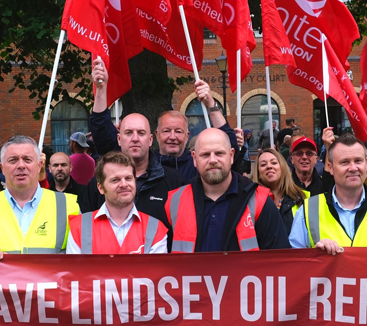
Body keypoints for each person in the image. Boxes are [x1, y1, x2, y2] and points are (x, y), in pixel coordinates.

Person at [86, 62, 186, 225]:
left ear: (151, 139)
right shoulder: (99, 184)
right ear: (119, 139)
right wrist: (101, 89)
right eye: (128, 133)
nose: (135, 138)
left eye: (141, 133)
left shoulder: (173, 181)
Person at [165, 129, 289, 252]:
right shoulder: (174, 202)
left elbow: (280, 259)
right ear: (194, 158)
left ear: (231, 156)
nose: (212, 160)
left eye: (219, 153)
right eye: (205, 155)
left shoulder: (259, 200)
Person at [0, 136, 80, 260]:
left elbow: (81, 263)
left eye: (27, 159)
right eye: (13, 160)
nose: (21, 165)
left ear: (39, 166)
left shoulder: (68, 207)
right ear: (2, 168)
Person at [67, 152, 168, 254]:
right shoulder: (79, 227)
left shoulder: (155, 228)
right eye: (115, 180)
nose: (124, 184)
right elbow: (74, 265)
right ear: (101, 188)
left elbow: (157, 265)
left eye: (128, 178)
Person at [151, 89, 240, 182]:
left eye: (178, 131)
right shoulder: (147, 165)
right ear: (157, 135)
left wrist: (211, 105)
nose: (172, 137)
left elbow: (229, 145)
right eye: (166, 131)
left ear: (187, 136)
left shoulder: (197, 163)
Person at [252, 148, 307, 235]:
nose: (269, 166)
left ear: (282, 168)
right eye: (263, 164)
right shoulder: (251, 201)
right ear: (258, 173)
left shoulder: (303, 197)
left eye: (274, 163)